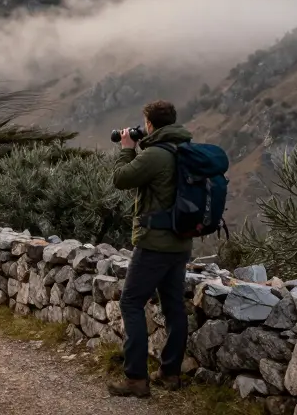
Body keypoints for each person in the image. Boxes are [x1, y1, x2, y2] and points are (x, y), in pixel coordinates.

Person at [106, 99, 194, 398]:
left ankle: (136, 379)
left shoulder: (156, 154)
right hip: (180, 243)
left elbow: (121, 179)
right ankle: (170, 373)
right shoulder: (183, 149)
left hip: (154, 244)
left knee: (131, 303)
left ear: (150, 124)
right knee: (174, 308)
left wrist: (127, 148)